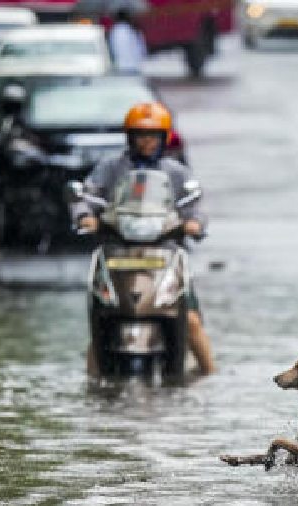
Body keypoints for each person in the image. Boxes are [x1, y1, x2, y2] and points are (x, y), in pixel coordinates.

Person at [73, 102, 216, 376]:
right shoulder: (110, 168)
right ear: (130, 137)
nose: (146, 142)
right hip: (118, 251)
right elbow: (86, 197)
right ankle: (93, 384)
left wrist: (194, 222)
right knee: (103, 320)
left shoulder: (176, 172)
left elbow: (195, 204)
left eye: (152, 136)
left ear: (163, 139)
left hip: (165, 252)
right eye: (140, 135)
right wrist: (85, 217)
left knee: (192, 321)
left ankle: (211, 378)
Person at [108, 9, 147, 74]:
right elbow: (142, 49)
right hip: (136, 65)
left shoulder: (114, 31)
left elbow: (112, 49)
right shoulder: (134, 30)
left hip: (120, 66)